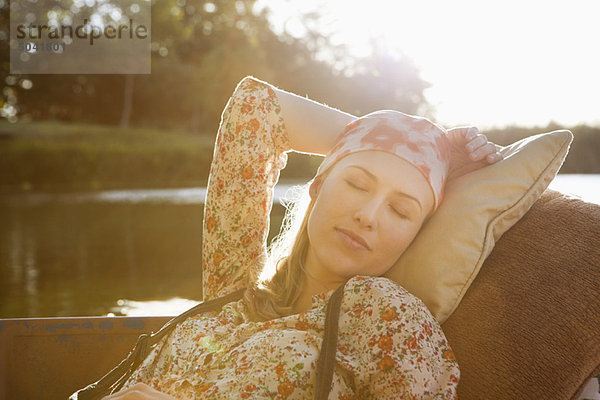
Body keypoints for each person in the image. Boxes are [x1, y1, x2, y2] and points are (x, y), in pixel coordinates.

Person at [102, 75, 502, 399]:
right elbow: (254, 108)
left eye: (400, 211)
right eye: (357, 184)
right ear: (317, 186)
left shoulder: (387, 316)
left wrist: (424, 150)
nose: (368, 214)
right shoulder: (233, 288)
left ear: (414, 236)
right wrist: (397, 136)